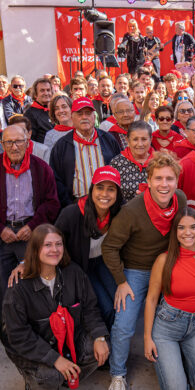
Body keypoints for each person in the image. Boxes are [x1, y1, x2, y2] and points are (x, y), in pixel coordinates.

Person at [102, 152, 187, 390]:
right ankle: (117, 374)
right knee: (124, 324)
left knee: (182, 311)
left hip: (168, 265)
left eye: (169, 179)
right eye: (158, 178)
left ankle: (180, 357)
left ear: (176, 181)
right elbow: (109, 247)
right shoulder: (131, 211)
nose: (164, 184)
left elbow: (192, 223)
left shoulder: (180, 198)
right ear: (148, 181)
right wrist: (121, 281)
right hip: (136, 270)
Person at [2, 224, 110, 390]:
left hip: (65, 340)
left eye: (58, 244)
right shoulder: (18, 287)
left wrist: (99, 337)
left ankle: (66, 377)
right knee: (50, 376)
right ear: (35, 249)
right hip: (32, 348)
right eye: (47, 245)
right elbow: (18, 335)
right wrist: (54, 359)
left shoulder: (73, 272)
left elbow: (90, 308)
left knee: (99, 347)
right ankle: (35, 379)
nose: (55, 249)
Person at [144, 207, 195, 390]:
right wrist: (147, 338)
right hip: (167, 329)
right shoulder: (164, 260)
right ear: (175, 231)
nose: (188, 233)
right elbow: (151, 300)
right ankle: (176, 359)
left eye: (193, 227)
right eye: (181, 228)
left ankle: (184, 360)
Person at [51, 166, 122, 331]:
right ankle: (104, 341)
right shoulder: (72, 213)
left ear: (117, 194)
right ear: (91, 190)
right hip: (80, 265)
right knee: (105, 306)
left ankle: (117, 339)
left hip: (104, 261)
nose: (104, 194)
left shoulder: (119, 212)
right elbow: (52, 240)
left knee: (120, 301)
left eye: (111, 189)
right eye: (100, 187)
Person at [0, 125, 60, 311]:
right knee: (3, 285)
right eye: (8, 142)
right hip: (3, 235)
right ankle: (8, 324)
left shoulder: (41, 168)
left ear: (27, 143)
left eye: (18, 141)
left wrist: (33, 226)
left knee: (33, 282)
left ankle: (34, 321)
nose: (14, 147)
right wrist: (1, 229)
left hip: (31, 233)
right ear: (2, 144)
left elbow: (52, 203)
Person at [49, 97, 121, 208]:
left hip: (107, 204)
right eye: (79, 114)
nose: (84, 117)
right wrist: (69, 204)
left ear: (94, 116)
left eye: (88, 113)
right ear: (72, 118)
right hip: (76, 205)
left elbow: (118, 169)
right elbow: (56, 179)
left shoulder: (108, 139)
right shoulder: (61, 145)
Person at [110, 120, 153, 202]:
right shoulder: (117, 163)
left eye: (144, 139)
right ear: (127, 140)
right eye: (135, 139)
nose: (140, 144)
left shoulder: (159, 161)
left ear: (151, 139)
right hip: (125, 212)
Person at [24, 77, 53, 143]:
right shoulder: (30, 114)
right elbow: (31, 140)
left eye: (48, 90)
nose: (46, 93)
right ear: (35, 94)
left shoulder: (55, 110)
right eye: (42, 90)